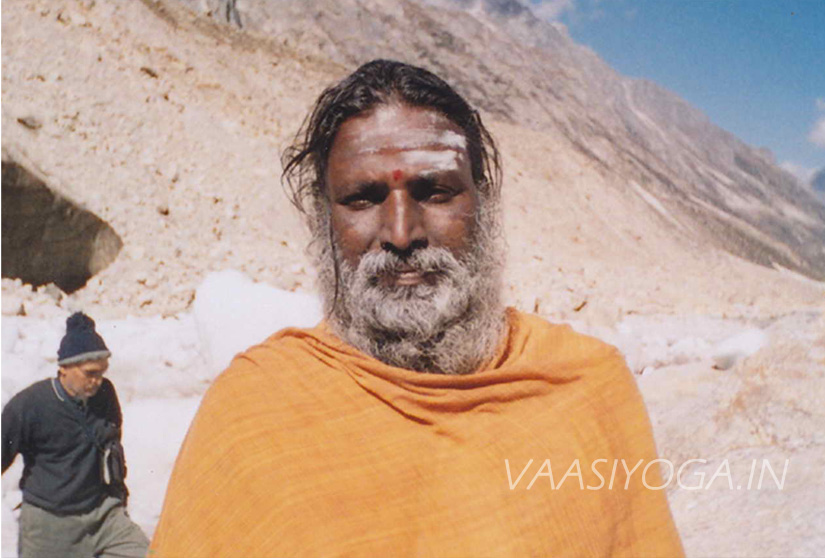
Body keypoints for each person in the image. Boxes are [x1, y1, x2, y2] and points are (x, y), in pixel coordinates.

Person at [150, 60, 684, 557]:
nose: (402, 234)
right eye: (362, 198)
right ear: (322, 219)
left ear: (484, 203)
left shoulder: (583, 387)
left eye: (434, 192)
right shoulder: (253, 415)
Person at [2, 312, 149, 558]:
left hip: (104, 517)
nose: (97, 381)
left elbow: (113, 449)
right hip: (50, 525)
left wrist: (119, 500)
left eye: (102, 373)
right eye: (90, 373)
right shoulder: (30, 405)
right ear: (64, 368)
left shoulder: (105, 395)